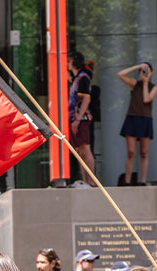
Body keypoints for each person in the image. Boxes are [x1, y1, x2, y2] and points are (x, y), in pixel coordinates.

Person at [117, 63, 157, 186]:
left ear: (151, 73)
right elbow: (120, 74)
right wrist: (137, 67)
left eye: (146, 71)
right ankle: (127, 180)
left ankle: (143, 180)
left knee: (144, 152)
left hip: (145, 119)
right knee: (131, 151)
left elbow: (146, 99)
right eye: (142, 71)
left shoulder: (155, 87)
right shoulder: (135, 84)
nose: (144, 73)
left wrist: (146, 82)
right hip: (132, 118)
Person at [68, 51, 96, 187]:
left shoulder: (83, 78)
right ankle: (85, 180)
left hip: (82, 118)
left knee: (85, 148)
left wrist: (78, 119)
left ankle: (90, 180)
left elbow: (86, 98)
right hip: (75, 118)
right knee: (79, 150)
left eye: (69, 60)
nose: (67, 62)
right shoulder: (76, 78)